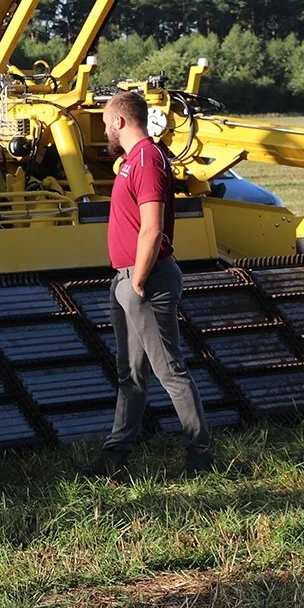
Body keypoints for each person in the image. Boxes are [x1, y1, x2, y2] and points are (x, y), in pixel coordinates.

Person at [81, 89, 213, 478]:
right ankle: (116, 453)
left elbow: (152, 228)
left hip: (146, 280)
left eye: (106, 122)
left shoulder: (147, 160)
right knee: (130, 373)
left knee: (169, 370)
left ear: (120, 121)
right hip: (126, 279)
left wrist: (137, 280)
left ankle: (201, 456)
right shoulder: (131, 161)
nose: (105, 128)